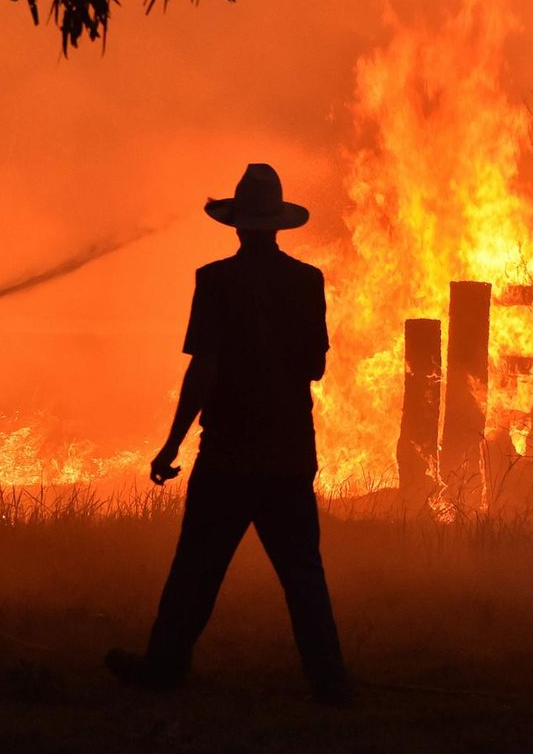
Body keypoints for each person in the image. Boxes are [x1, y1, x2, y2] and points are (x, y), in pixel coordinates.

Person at [106, 163, 350, 705]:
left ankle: (164, 667)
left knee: (196, 566)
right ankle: (331, 684)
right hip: (288, 451)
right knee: (303, 573)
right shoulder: (307, 282)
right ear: (277, 226)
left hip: (228, 453)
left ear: (238, 226)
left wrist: (172, 444)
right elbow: (315, 367)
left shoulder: (215, 280)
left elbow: (203, 369)